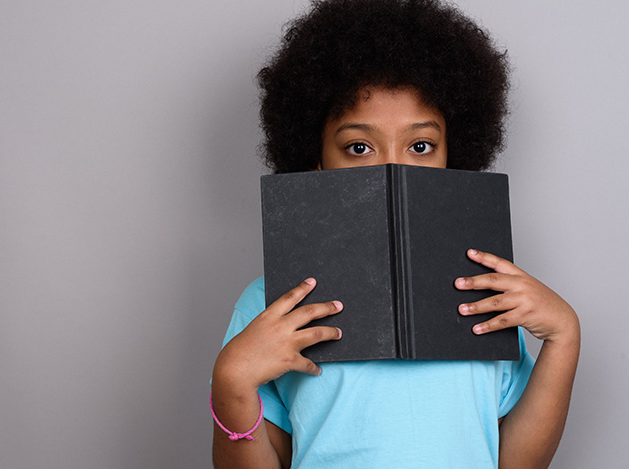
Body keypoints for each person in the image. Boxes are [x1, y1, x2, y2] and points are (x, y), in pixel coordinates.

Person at [210, 1, 581, 468]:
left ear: (454, 153)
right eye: (359, 147)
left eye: (421, 145)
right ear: (317, 159)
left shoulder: (488, 291)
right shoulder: (272, 300)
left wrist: (564, 335)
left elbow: (517, 462)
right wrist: (231, 385)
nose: (391, 168)